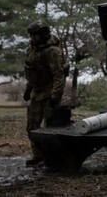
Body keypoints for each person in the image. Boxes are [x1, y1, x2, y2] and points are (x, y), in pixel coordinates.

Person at [23, 21, 66, 166]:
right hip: (37, 91)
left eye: (36, 35)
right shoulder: (32, 50)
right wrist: (28, 89)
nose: (33, 38)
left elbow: (59, 75)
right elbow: (33, 72)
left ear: (44, 35)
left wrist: (55, 96)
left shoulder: (53, 51)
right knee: (32, 127)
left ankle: (53, 158)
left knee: (50, 128)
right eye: (31, 35)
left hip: (49, 91)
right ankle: (38, 155)